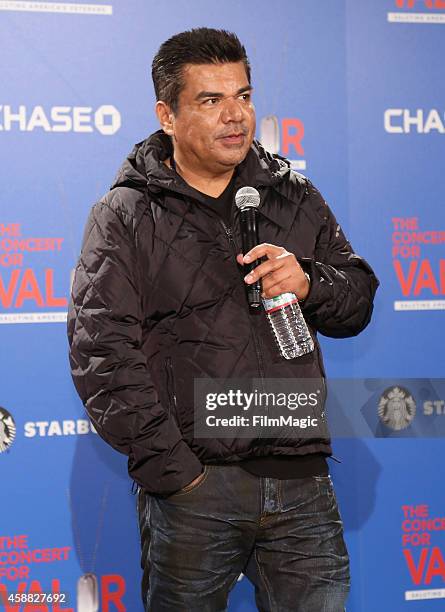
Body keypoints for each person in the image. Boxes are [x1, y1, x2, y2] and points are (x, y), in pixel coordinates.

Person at [67, 28, 379, 612]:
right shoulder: (125, 214)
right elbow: (102, 354)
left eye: (244, 95)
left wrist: (310, 283)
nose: (236, 116)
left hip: (302, 483)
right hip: (196, 490)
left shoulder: (293, 195)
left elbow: (358, 299)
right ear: (167, 114)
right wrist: (179, 474)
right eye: (211, 101)